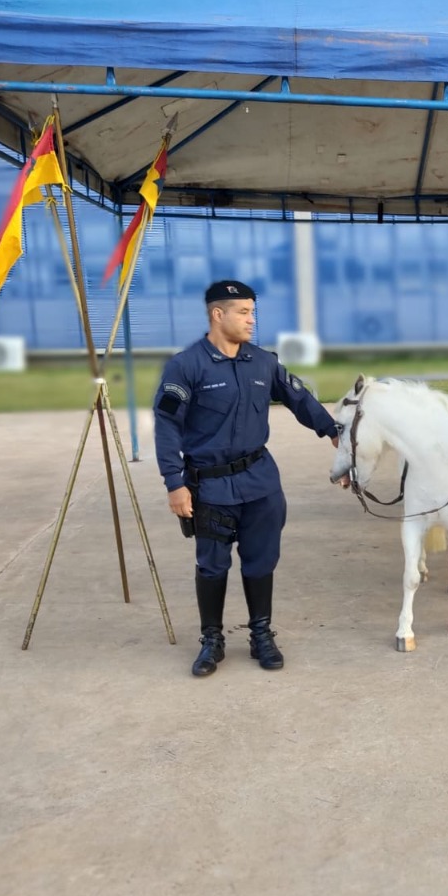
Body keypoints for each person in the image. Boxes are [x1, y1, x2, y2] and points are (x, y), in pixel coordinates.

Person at [153, 280, 339, 678]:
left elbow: (299, 399)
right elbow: (167, 425)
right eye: (244, 312)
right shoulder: (185, 366)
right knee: (212, 565)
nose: (252, 320)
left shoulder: (263, 362)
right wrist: (174, 481)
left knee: (261, 561)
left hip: (260, 483)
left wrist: (334, 431)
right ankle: (212, 640)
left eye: (253, 312)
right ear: (217, 315)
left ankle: (260, 635)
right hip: (211, 486)